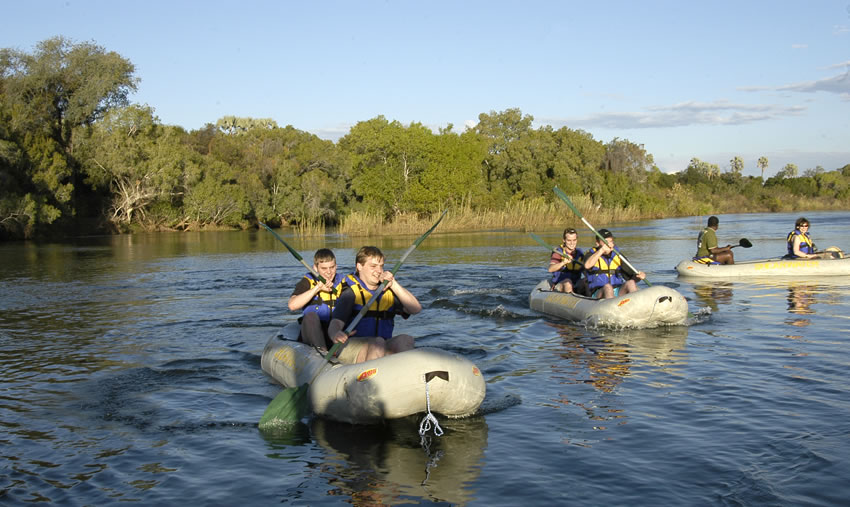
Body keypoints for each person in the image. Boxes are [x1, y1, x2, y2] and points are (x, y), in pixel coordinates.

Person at [327, 246, 422, 364]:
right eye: (373, 266)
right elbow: (335, 323)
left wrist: (394, 285)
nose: (379, 270)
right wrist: (336, 334)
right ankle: (369, 380)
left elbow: (416, 309)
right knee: (377, 343)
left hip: (380, 345)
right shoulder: (350, 293)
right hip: (350, 347)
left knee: (405, 340)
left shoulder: (388, 292)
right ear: (359, 266)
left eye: (381, 266)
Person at [288, 248, 346, 352]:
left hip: (335, 332)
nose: (329, 272)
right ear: (315, 268)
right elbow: (292, 305)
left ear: (336, 266)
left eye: (332, 267)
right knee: (311, 316)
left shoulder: (344, 281)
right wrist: (316, 289)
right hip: (312, 331)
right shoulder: (308, 281)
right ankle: (321, 353)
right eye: (324, 268)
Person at [582, 229, 645, 299]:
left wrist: (639, 276)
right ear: (597, 243)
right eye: (605, 242)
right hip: (599, 292)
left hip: (617, 290)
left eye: (611, 241)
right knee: (608, 287)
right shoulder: (590, 255)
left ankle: (636, 306)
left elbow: (631, 276)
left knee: (631, 283)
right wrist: (602, 250)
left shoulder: (618, 256)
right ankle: (611, 306)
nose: (609, 244)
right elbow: (587, 265)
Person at [548, 228, 586, 294]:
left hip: (576, 283)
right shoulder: (558, 253)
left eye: (574, 240)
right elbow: (551, 269)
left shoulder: (580, 253)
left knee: (586, 281)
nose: (572, 243)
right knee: (568, 283)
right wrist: (563, 262)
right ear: (564, 240)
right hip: (561, 284)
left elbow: (585, 271)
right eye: (569, 240)